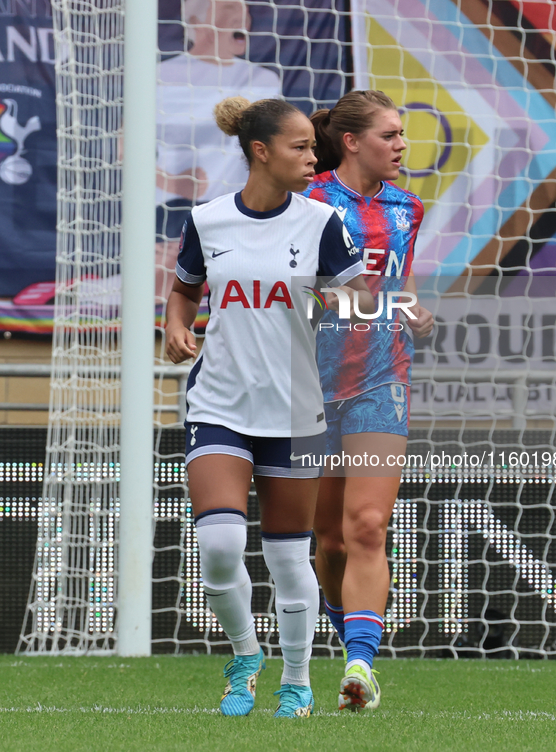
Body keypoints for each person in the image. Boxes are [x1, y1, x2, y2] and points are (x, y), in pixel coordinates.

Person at [165, 95, 373, 718]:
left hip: (293, 411)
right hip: (219, 404)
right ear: (261, 152)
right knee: (222, 547)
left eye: (315, 147)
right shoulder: (207, 221)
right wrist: (175, 328)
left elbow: (358, 301)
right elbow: (182, 292)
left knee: (288, 556)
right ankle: (244, 659)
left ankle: (298, 679)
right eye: (301, 147)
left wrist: (346, 306)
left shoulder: (321, 224)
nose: (315, 158)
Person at [304, 90, 434, 711]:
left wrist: (414, 310)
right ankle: (345, 632)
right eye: (390, 135)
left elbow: (400, 287)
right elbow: (297, 292)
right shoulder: (309, 201)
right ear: (352, 142)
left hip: (381, 382)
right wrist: (333, 303)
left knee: (367, 524)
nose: (402, 146)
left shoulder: (409, 207)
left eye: (404, 135)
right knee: (328, 539)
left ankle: (361, 665)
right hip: (308, 386)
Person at [155, 0, 281, 301]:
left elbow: (270, 151)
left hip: (241, 211)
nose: (241, 16)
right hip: (170, 212)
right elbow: (125, 152)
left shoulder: (264, 80)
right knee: (168, 287)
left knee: (246, 293)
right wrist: (171, 182)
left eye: (244, 10)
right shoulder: (161, 76)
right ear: (196, 23)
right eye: (226, 8)